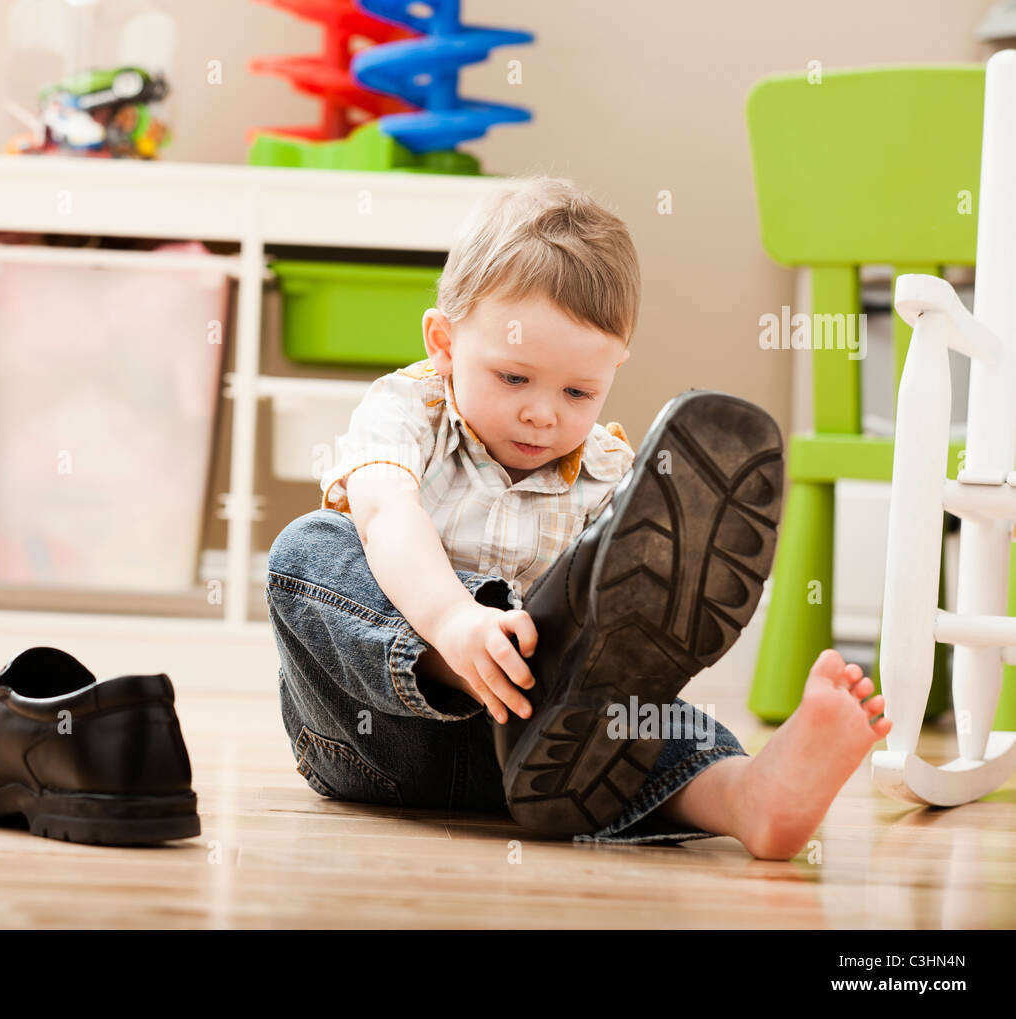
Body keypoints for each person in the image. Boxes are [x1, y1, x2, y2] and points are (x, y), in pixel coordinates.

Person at [265, 176, 891, 859]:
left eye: (578, 390)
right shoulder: (411, 409)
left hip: (541, 762)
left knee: (639, 717)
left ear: (615, 368)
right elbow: (385, 510)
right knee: (307, 551)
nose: (544, 411)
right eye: (513, 377)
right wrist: (454, 623)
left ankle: (747, 796)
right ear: (443, 343)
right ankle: (453, 662)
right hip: (375, 741)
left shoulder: (616, 480)